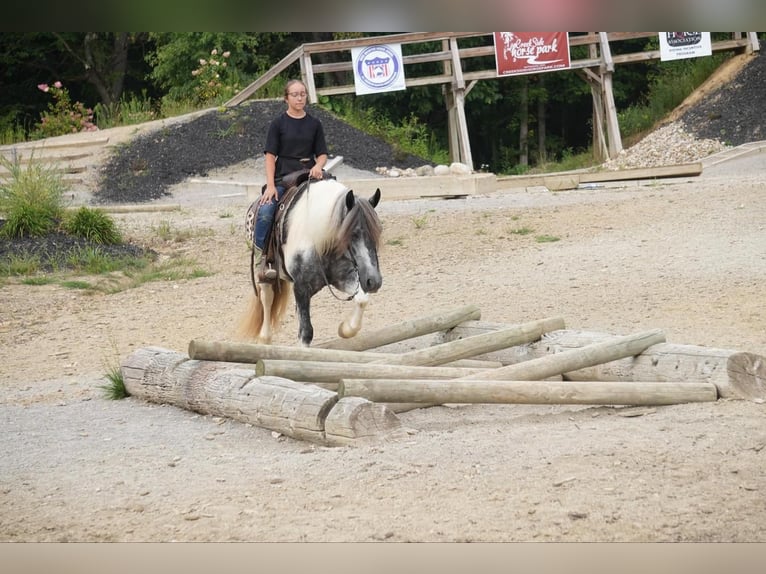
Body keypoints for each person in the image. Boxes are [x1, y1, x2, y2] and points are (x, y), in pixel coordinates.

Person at [253, 79, 329, 280]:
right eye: (295, 94)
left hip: (308, 173)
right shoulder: (278, 124)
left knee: (335, 201)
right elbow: (270, 156)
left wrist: (318, 166)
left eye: (303, 94)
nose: (299, 97)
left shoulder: (315, 124)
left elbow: (322, 153)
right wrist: (270, 185)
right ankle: (265, 258)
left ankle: (335, 249)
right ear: (286, 98)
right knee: (266, 211)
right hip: (284, 175)